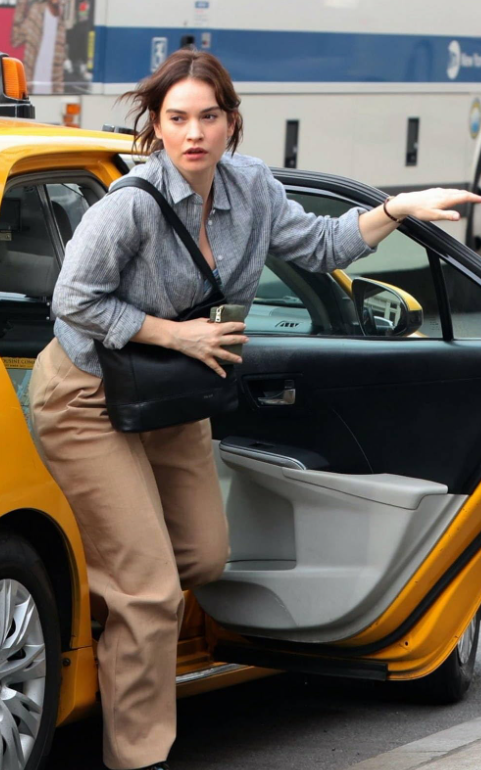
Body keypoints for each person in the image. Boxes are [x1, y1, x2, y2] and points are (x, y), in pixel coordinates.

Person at [28, 50, 481, 770]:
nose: (194, 132)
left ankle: (122, 613)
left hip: (171, 392)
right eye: (177, 118)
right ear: (157, 126)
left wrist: (394, 209)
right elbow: (73, 301)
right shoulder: (129, 207)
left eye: (208, 116)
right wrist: (175, 333)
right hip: (87, 393)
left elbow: (323, 245)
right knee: (151, 589)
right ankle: (139, 752)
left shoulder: (253, 189)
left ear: (231, 121)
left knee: (205, 554)